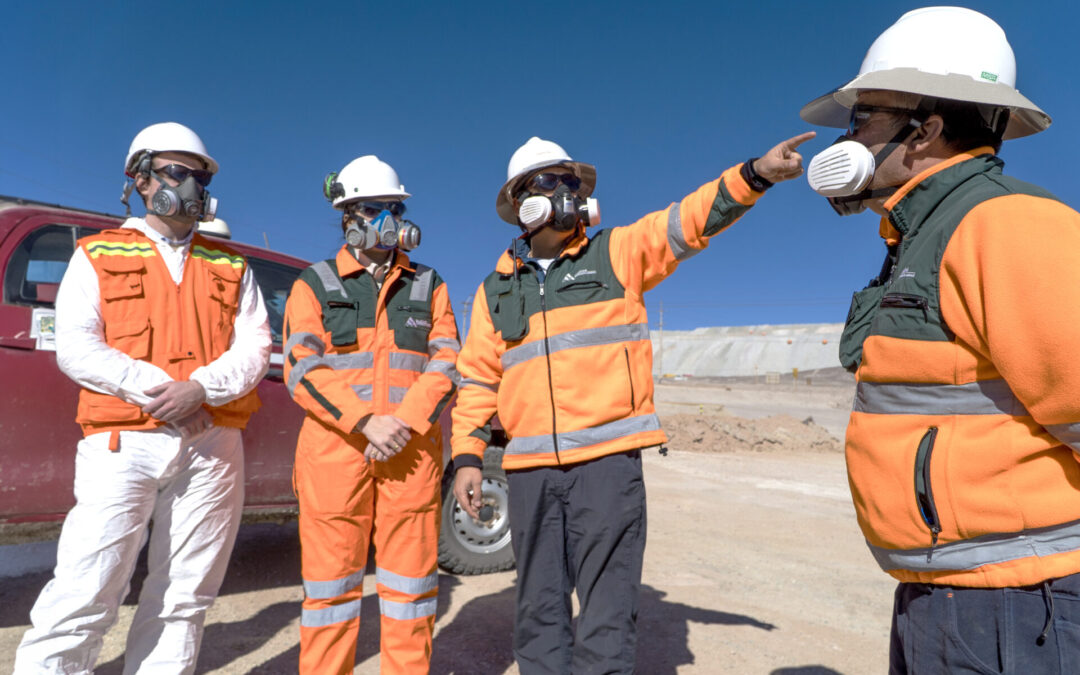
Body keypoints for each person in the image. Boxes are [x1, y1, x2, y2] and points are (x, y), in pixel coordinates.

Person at [450, 133, 812, 673]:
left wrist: (754, 175)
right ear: (523, 200)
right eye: (552, 181)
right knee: (538, 608)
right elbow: (477, 378)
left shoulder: (617, 251)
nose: (568, 191)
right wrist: (466, 458)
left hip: (607, 465)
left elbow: (687, 222)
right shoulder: (495, 289)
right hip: (529, 472)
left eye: (573, 181)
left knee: (607, 611)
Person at [800, 6, 1080, 673]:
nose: (848, 137)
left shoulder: (1005, 223)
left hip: (1018, 604)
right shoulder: (924, 234)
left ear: (924, 131)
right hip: (955, 598)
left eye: (862, 116)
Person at [14, 122, 271, 673]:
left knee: (184, 597)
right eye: (177, 172)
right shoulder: (97, 254)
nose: (191, 185)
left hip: (212, 445)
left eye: (198, 175)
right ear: (141, 178)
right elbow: (78, 348)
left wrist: (201, 389)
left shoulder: (231, 266)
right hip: (122, 442)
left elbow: (255, 348)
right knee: (87, 588)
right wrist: (164, 394)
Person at [283, 155, 459, 673]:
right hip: (336, 456)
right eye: (373, 209)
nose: (387, 220)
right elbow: (301, 366)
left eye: (394, 209)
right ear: (348, 217)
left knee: (411, 593)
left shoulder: (429, 285)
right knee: (331, 592)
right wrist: (364, 421)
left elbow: (448, 362)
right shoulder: (314, 284)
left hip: (410, 453)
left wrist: (403, 420)